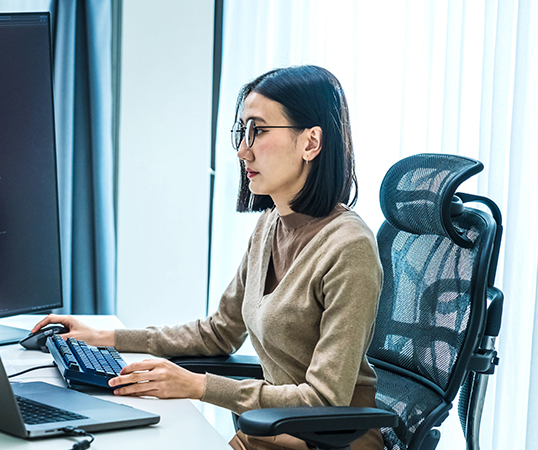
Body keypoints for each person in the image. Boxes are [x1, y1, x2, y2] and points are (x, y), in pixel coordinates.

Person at [31, 65, 384, 450]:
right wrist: (109, 338)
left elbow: (323, 400)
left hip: (327, 443)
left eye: (259, 131)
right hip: (268, 436)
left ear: (310, 143)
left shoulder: (349, 248)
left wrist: (197, 386)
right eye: (242, 132)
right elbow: (218, 333)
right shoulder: (271, 225)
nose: (242, 149)